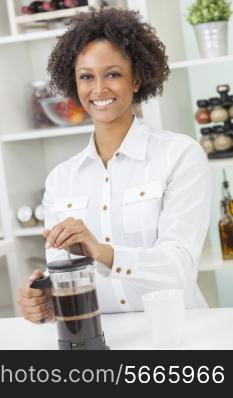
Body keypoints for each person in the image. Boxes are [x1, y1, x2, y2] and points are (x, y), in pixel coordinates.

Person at [18, 7, 211, 323]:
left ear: (136, 79)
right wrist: (44, 301)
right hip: (104, 340)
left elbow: (179, 268)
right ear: (73, 84)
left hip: (178, 335)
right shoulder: (61, 179)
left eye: (112, 74)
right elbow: (64, 274)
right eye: (86, 77)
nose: (98, 89)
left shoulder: (179, 156)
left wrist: (101, 251)